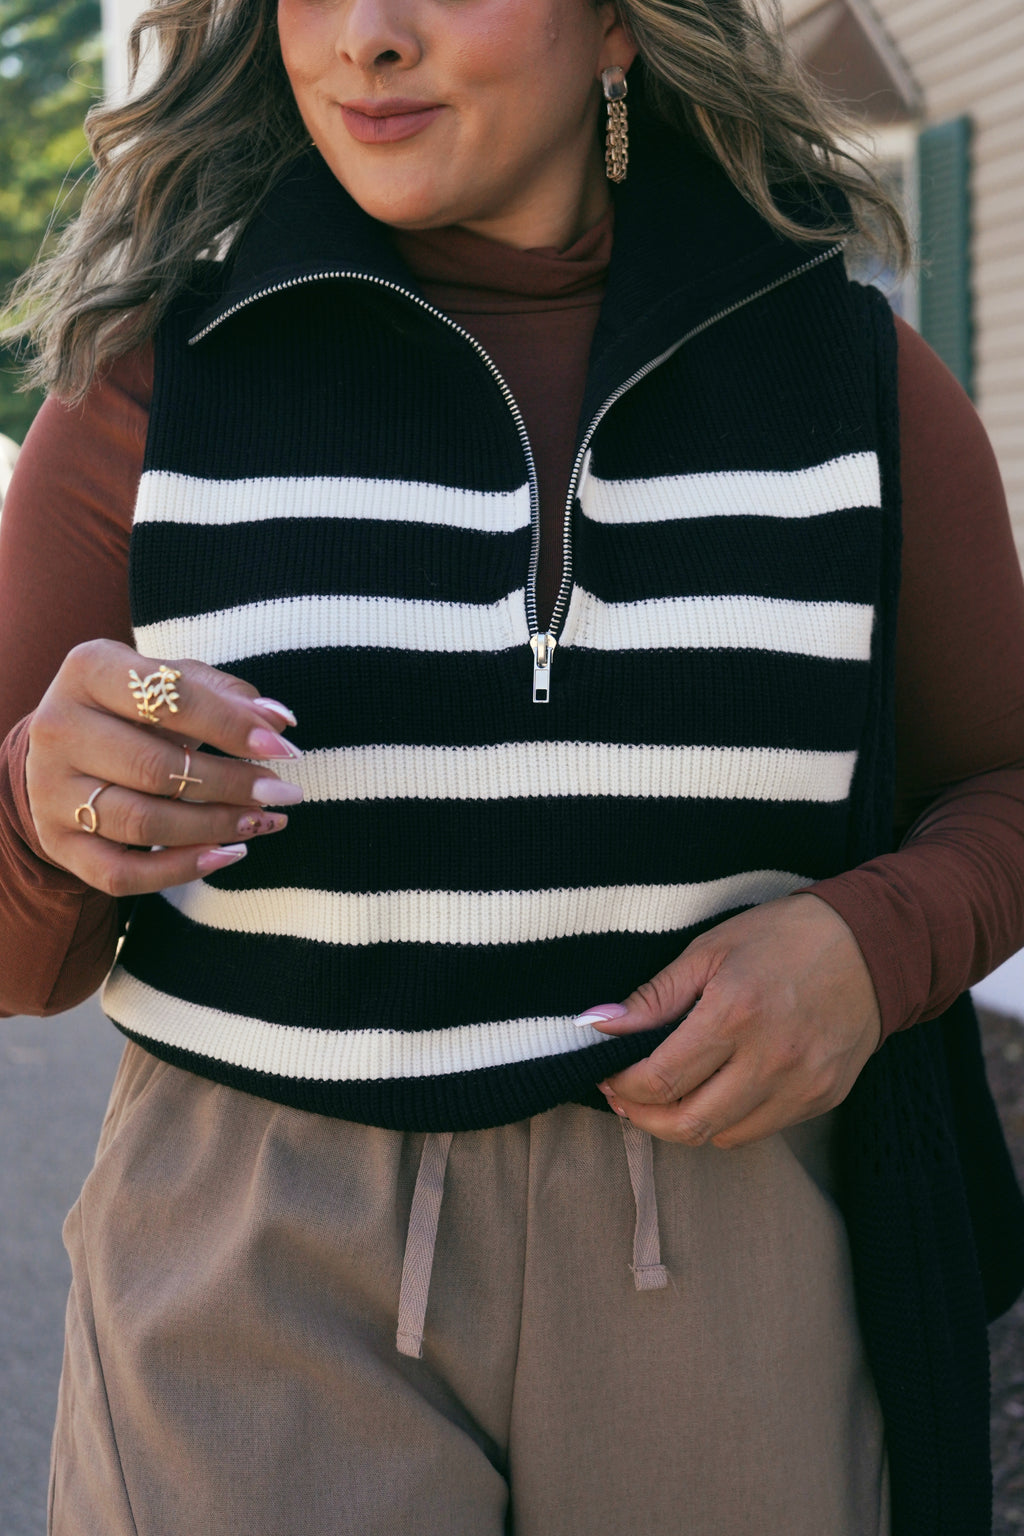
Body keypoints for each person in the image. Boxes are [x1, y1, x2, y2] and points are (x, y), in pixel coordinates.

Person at [2, 0, 1024, 1530]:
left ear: (618, 25)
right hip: (254, 1256)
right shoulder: (151, 387)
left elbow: (1006, 784)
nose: (366, 37)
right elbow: (21, 959)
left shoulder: (851, 376)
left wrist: (873, 952)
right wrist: (45, 804)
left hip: (732, 1253)